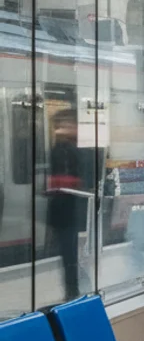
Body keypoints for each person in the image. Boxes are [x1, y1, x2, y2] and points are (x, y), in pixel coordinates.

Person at [47, 109, 85, 301]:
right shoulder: (63, 149)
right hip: (64, 211)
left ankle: (73, 290)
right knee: (68, 253)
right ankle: (72, 290)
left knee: (69, 253)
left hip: (65, 211)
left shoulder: (64, 148)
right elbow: (66, 180)